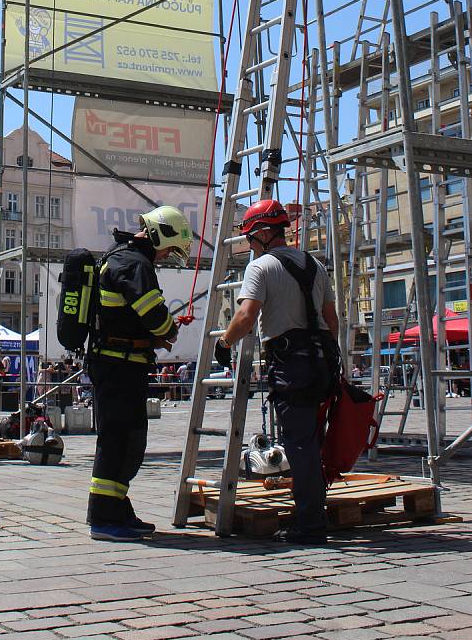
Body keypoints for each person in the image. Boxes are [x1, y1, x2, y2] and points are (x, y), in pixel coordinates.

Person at [214, 199, 339, 544]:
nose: (250, 246)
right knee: (311, 440)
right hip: (321, 360)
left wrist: (224, 343)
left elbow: (246, 316)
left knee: (299, 444)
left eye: (252, 238)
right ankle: (314, 512)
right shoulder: (316, 265)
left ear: (266, 233)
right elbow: (332, 321)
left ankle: (311, 525)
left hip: (291, 363)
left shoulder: (261, 267)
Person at [86, 205, 192, 542]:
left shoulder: (123, 257)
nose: (166, 257)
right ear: (160, 234)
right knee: (119, 440)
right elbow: (154, 314)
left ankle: (116, 508)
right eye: (169, 249)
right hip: (119, 365)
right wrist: (169, 329)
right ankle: (104, 517)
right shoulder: (134, 263)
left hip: (121, 362)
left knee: (127, 439)